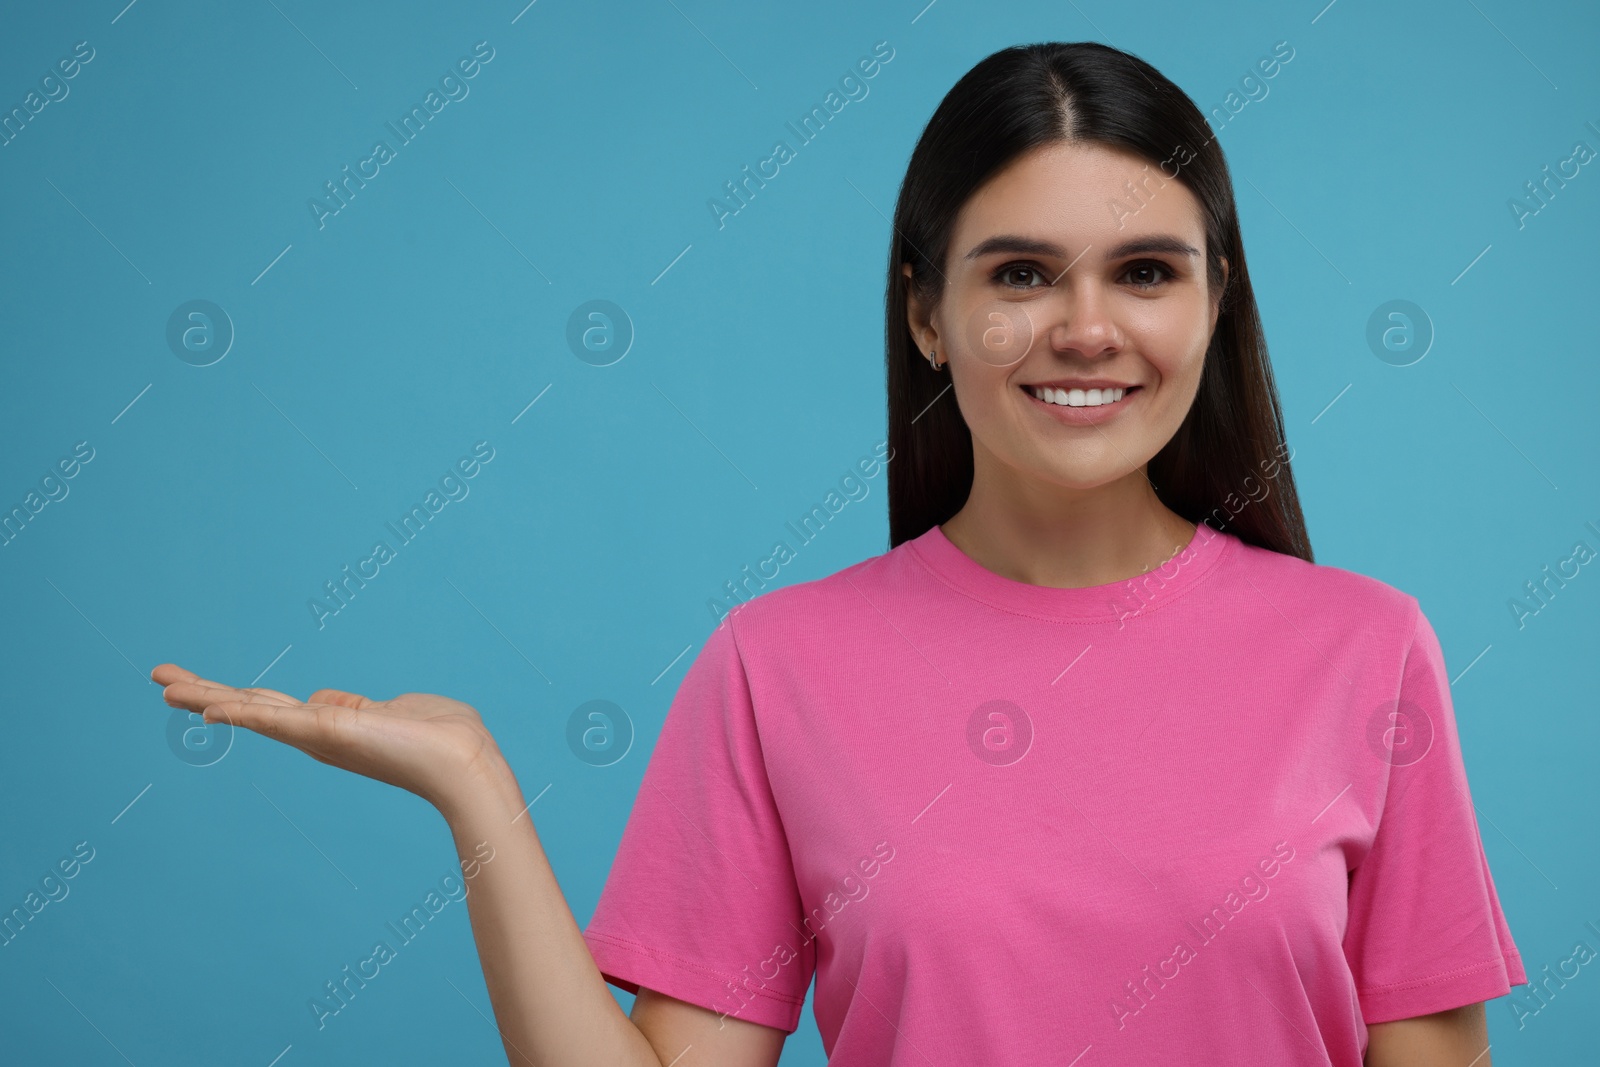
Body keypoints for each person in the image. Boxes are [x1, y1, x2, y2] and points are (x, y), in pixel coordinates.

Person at [154, 40, 1526, 1067]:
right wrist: (477, 794)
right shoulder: (778, 667)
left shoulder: (1365, 651)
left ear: (1219, 305)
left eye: (1148, 272)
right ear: (926, 311)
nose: (1088, 329)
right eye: (1021, 274)